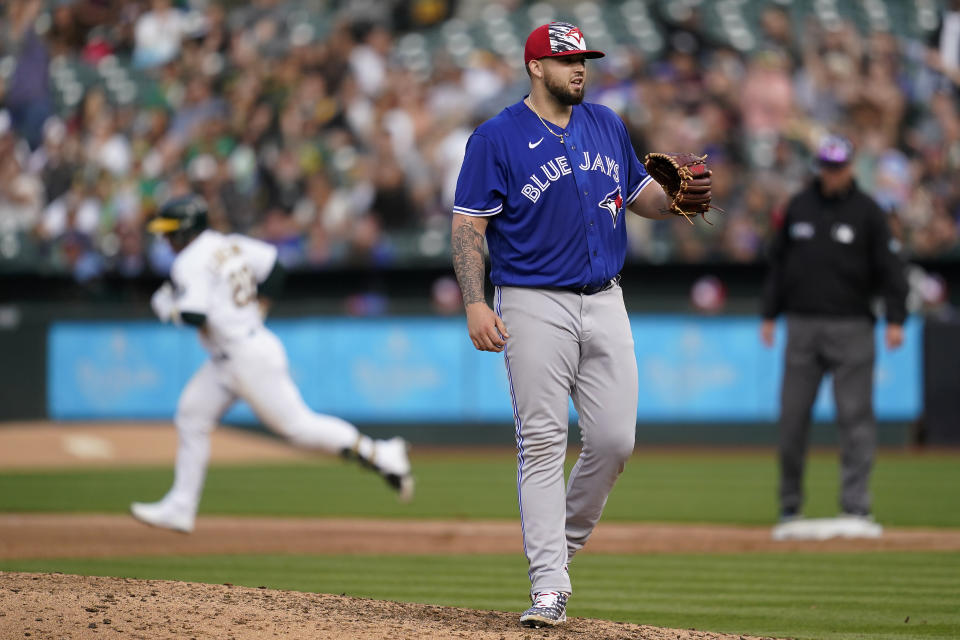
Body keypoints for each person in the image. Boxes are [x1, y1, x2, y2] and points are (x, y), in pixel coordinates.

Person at [451, 22, 709, 628]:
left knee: (617, 441)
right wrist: (473, 300)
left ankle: (557, 551)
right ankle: (548, 586)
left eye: (584, 59)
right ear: (535, 67)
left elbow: (639, 192)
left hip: (606, 297)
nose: (579, 69)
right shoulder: (496, 137)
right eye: (566, 60)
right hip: (533, 301)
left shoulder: (606, 124)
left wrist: (670, 199)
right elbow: (468, 227)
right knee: (542, 442)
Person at [130, 195, 413, 533]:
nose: (166, 239)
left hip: (246, 358)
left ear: (186, 231)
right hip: (234, 354)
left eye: (170, 232)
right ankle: (181, 506)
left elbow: (193, 315)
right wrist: (260, 307)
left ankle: (382, 454)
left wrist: (168, 308)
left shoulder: (189, 260)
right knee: (192, 414)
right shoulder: (229, 243)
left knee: (299, 427)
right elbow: (275, 266)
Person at [761, 134, 908, 536]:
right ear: (818, 167)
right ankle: (790, 507)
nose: (832, 174)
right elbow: (778, 265)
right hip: (802, 326)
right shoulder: (798, 207)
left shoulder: (869, 213)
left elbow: (892, 268)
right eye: (826, 166)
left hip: (853, 327)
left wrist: (896, 317)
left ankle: (856, 507)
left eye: (838, 166)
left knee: (855, 418)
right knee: (792, 419)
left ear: (850, 167)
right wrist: (769, 314)